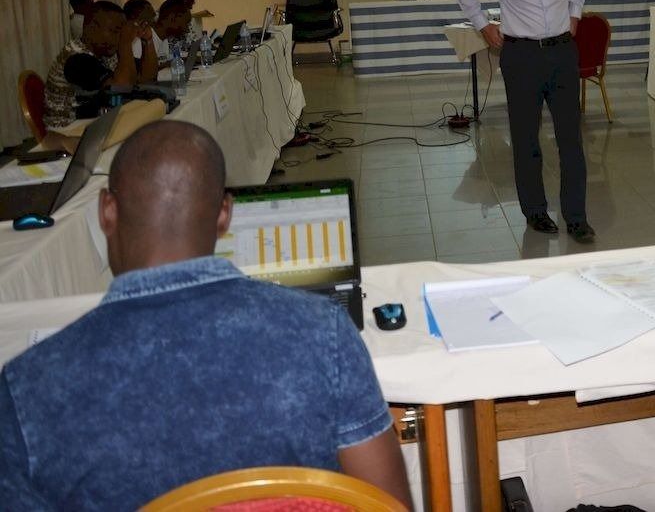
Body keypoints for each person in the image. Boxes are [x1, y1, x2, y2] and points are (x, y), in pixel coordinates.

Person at [0, 121, 411, 508]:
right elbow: (388, 503)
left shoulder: (26, 389)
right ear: (225, 214)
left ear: (106, 211)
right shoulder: (323, 332)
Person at [454, 0, 594, 243]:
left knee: (570, 139)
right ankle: (535, 211)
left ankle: (576, 216)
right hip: (522, 55)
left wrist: (575, 12)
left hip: (562, 52)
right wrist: (482, 24)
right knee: (526, 138)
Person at [43, 1, 156, 129]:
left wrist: (147, 40)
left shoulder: (105, 51)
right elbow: (120, 90)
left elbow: (147, 78)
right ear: (90, 28)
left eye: (121, 32)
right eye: (114, 31)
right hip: (70, 132)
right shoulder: (76, 59)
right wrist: (125, 42)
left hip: (98, 122)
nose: (119, 37)